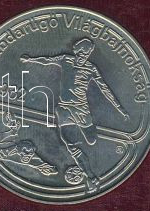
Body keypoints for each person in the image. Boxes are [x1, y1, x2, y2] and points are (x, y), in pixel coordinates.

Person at [20, 38, 129, 193]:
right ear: (76, 50)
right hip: (64, 109)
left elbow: (105, 89)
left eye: (87, 52)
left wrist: (120, 109)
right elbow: (47, 60)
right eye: (82, 51)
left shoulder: (91, 68)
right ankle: (91, 177)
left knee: (91, 140)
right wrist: (31, 59)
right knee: (71, 144)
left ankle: (89, 142)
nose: (84, 55)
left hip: (82, 110)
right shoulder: (65, 59)